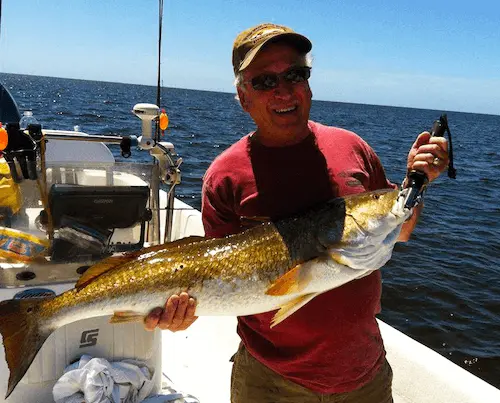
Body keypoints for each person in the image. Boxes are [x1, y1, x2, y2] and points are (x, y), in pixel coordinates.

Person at [144, 23, 449, 402]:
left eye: (295, 74)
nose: (283, 90)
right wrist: (182, 312)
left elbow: (399, 230)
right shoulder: (224, 176)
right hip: (268, 382)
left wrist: (415, 183)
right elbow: (213, 272)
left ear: (308, 83)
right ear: (243, 97)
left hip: (364, 373)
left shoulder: (353, 148)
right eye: (264, 81)